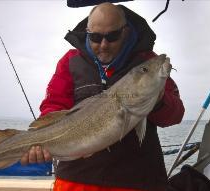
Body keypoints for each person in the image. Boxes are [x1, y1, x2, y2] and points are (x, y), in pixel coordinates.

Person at [21, 2, 185, 191]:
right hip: (76, 181)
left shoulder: (147, 63)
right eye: (96, 37)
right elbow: (54, 105)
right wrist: (39, 139)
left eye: (112, 36)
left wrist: (158, 101)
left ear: (125, 31)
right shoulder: (70, 61)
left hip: (138, 181)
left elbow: (176, 114)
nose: (104, 45)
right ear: (87, 32)